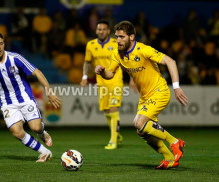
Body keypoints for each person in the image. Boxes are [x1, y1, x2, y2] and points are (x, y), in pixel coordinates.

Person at [95, 21, 188, 169]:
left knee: (139, 123)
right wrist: (102, 71)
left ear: (131, 37)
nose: (118, 40)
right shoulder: (117, 54)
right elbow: (110, 74)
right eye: (117, 36)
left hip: (160, 91)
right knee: (142, 131)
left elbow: (171, 62)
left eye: (122, 37)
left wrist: (176, 87)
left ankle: (175, 142)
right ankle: (169, 158)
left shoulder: (143, 50)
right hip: (145, 97)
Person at [0, 31, 61, 162]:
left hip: (25, 97)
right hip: (7, 102)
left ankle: (42, 133)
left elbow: (37, 72)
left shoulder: (15, 58)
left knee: (35, 128)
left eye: (1, 43)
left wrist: (49, 92)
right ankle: (44, 152)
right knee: (17, 132)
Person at [80, 20, 123, 150]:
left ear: (108, 31)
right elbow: (87, 62)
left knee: (113, 108)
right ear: (96, 31)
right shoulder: (91, 45)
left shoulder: (116, 43)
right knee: (106, 110)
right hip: (101, 82)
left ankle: (113, 140)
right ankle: (117, 133)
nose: (101, 31)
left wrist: (132, 77)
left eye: (104, 29)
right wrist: (84, 77)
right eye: (99, 29)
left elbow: (126, 59)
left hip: (116, 79)